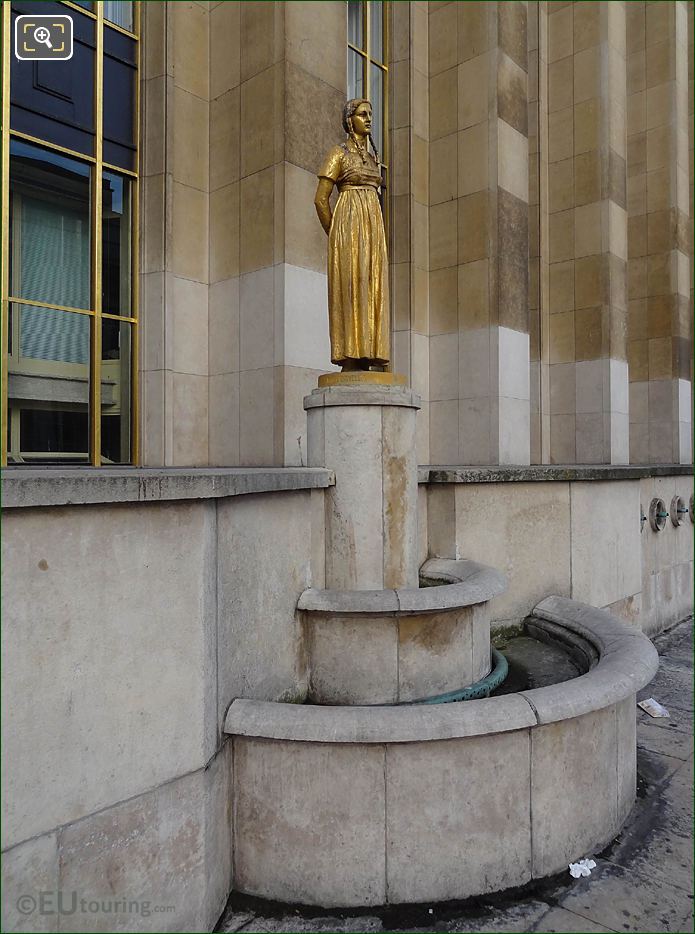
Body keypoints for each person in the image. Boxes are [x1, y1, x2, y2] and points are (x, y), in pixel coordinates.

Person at [314, 99, 389, 371]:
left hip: (372, 231)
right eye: (362, 114)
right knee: (350, 286)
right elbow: (321, 199)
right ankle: (350, 355)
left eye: (371, 114)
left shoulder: (371, 158)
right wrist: (335, 235)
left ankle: (369, 351)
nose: (369, 118)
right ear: (350, 120)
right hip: (348, 227)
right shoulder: (339, 153)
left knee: (370, 284)